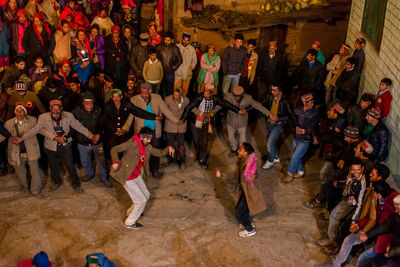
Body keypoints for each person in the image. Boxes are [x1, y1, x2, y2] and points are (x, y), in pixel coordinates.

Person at [16, 99, 97, 193]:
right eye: (53, 110)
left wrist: (91, 136)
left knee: (70, 165)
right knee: (53, 165)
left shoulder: (69, 116)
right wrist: (22, 138)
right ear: (50, 109)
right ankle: (57, 181)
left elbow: (78, 127)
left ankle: (76, 183)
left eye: (58, 111)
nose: (55, 113)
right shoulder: (43, 117)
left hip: (66, 145)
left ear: (61, 109)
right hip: (50, 146)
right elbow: (35, 130)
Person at [110, 127, 175, 229]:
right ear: (141, 137)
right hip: (128, 176)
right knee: (141, 201)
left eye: (150, 139)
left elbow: (159, 153)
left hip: (136, 174)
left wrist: (168, 148)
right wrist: (116, 162)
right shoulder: (132, 143)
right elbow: (114, 149)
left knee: (146, 194)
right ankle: (130, 222)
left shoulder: (147, 146)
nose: (149, 141)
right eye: (147, 139)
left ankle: (131, 212)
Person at [181, 84, 240, 169]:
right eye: (205, 92)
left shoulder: (215, 98)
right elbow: (190, 107)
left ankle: (202, 159)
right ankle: (199, 154)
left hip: (205, 121)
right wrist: (183, 119)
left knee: (204, 141)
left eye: (208, 93)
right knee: (197, 140)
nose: (206, 94)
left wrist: (238, 110)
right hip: (195, 120)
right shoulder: (198, 97)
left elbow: (225, 104)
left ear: (211, 93)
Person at [130, 82, 180, 178]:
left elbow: (166, 111)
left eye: (146, 92)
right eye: (143, 92)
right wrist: (125, 127)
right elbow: (131, 115)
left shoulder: (157, 98)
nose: (144, 94)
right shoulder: (134, 100)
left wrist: (176, 121)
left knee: (156, 150)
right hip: (141, 132)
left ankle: (155, 170)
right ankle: (141, 170)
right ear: (140, 91)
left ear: (150, 91)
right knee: (141, 152)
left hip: (154, 130)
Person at [316, 159, 367, 250]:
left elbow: (359, 204)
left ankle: (331, 240)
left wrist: (354, 220)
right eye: (353, 170)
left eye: (358, 170)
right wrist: (339, 184)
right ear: (350, 169)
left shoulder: (362, 184)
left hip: (352, 203)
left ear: (362, 169)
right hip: (346, 197)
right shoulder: (351, 175)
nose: (356, 172)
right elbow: (348, 182)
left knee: (335, 215)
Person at [1, 105, 43, 197]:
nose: (19, 112)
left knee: (35, 172)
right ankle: (24, 186)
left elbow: (38, 130)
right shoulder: (8, 123)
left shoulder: (33, 120)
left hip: (31, 150)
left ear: (25, 112)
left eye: (22, 111)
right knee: (20, 172)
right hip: (16, 152)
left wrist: (53, 137)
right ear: (15, 112)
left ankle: (35, 190)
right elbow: (3, 135)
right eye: (17, 111)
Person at [73, 91, 112, 188]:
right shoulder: (76, 112)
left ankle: (104, 178)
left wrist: (100, 134)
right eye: (86, 102)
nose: (89, 104)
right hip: (83, 143)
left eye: (91, 102)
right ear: (82, 102)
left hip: (97, 143)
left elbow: (103, 124)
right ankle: (90, 174)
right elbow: (74, 126)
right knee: (85, 161)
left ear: (94, 102)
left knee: (101, 161)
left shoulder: (99, 110)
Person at [231, 142, 267, 237]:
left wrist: (253, 176)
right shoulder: (242, 160)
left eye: (240, 150)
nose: (238, 151)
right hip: (244, 190)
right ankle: (249, 222)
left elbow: (255, 174)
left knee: (240, 213)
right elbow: (237, 174)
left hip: (249, 192)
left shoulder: (252, 162)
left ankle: (250, 229)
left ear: (245, 152)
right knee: (244, 209)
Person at [282, 93, 319, 183]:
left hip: (305, 140)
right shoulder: (297, 110)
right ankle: (301, 171)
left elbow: (315, 126)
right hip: (296, 137)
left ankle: (290, 174)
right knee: (296, 155)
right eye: (309, 102)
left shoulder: (314, 113)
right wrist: (295, 127)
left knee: (294, 157)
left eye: (312, 101)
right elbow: (292, 120)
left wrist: (309, 133)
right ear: (304, 102)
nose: (312, 103)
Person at [225, 85, 272, 156]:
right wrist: (211, 112)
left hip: (242, 122)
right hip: (230, 121)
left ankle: (242, 152)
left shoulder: (248, 98)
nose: (236, 97)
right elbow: (220, 104)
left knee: (243, 139)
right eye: (235, 95)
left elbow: (257, 105)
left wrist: (268, 114)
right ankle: (234, 149)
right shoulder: (228, 96)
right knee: (231, 137)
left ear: (243, 94)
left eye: (239, 96)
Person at [358, 194, 400, 266]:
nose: (395, 210)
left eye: (397, 206)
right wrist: (368, 235)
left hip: (395, 256)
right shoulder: (395, 217)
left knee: (364, 258)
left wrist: (392, 252)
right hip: (391, 250)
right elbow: (384, 227)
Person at [260, 84, 294, 169]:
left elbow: (290, 114)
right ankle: (275, 157)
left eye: (274, 90)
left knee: (269, 143)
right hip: (269, 122)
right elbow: (260, 104)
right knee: (270, 141)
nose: (272, 92)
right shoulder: (270, 97)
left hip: (278, 124)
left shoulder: (286, 100)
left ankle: (270, 160)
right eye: (271, 90)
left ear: (280, 90)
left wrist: (278, 118)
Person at [164, 87, 189, 169]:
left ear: (181, 95)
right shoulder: (167, 99)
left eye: (177, 95)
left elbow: (189, 109)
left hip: (181, 126)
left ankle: (182, 161)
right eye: (174, 95)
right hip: (170, 125)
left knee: (181, 145)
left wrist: (200, 113)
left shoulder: (186, 100)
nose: (175, 96)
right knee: (171, 145)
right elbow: (165, 111)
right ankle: (172, 160)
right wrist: (175, 120)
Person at [157, 32, 183, 98]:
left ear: (171, 40)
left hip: (170, 72)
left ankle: (169, 102)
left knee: (170, 89)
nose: (167, 42)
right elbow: (156, 58)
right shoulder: (159, 47)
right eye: (166, 40)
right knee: (161, 88)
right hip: (161, 72)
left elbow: (180, 60)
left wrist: (173, 68)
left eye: (168, 40)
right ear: (163, 39)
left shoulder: (175, 48)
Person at [104, 25, 130, 89]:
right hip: (112, 63)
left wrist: (115, 54)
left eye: (117, 32)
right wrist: (117, 51)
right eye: (114, 32)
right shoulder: (107, 39)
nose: (116, 34)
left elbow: (125, 51)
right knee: (114, 77)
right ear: (112, 32)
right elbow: (107, 49)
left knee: (122, 77)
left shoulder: (122, 39)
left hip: (121, 62)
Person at [174, 32, 197, 97]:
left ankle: (182, 103)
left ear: (189, 41)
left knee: (184, 91)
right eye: (184, 40)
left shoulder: (191, 49)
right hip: (178, 73)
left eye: (187, 40)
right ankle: (176, 104)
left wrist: (191, 68)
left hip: (187, 74)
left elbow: (194, 60)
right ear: (182, 39)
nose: (185, 42)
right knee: (176, 90)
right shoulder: (177, 47)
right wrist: (175, 68)